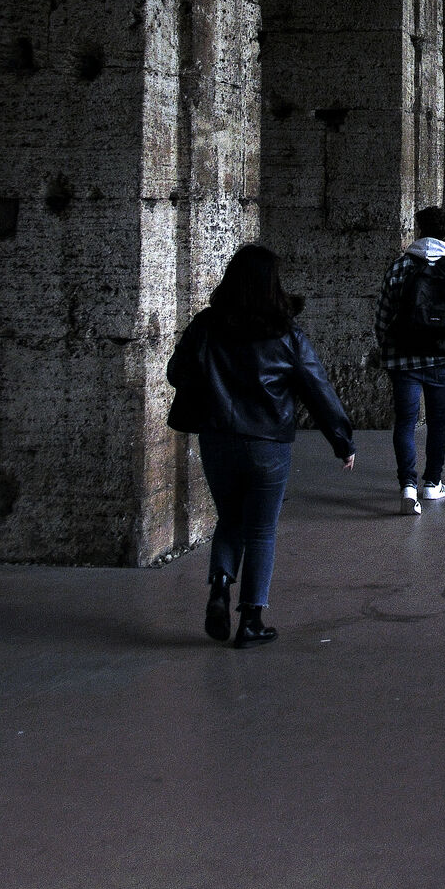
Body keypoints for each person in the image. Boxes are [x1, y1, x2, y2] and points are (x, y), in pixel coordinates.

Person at [167, 242, 355, 648]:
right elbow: (317, 389)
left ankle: (220, 586)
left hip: (218, 438)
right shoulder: (287, 334)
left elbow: (176, 372)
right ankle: (250, 620)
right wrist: (342, 441)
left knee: (229, 519)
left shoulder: (206, 325)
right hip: (268, 444)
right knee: (262, 530)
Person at [374, 206, 445, 515]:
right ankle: (432, 483)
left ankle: (407, 485)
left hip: (403, 359)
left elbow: (382, 318)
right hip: (439, 360)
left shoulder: (398, 268)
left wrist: (390, 348)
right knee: (437, 420)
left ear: (418, 230)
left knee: (405, 422)